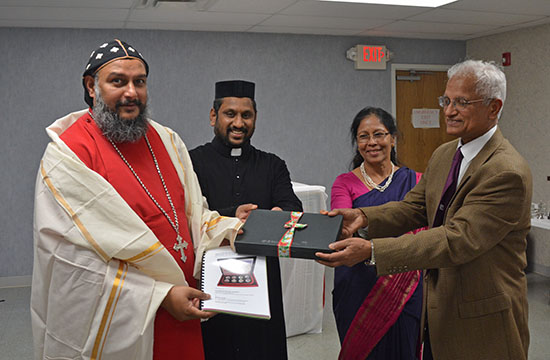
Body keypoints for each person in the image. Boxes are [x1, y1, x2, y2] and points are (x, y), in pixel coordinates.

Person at [31, 39, 244, 360]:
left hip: (184, 303)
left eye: (139, 82)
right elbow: (72, 260)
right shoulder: (69, 154)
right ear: (91, 86)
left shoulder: (167, 140)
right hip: (126, 317)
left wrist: (230, 228)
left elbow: (194, 214)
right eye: (118, 81)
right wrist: (159, 296)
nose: (131, 92)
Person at [317, 60, 532, 360]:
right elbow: (414, 207)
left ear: (493, 108)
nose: (449, 110)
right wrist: (364, 216)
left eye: (461, 102)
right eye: (446, 100)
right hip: (436, 311)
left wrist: (372, 251)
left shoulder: (506, 171)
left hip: (480, 321)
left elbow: (455, 239)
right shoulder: (446, 154)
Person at [189, 80, 302, 360]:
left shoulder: (273, 165)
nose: (238, 123)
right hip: (211, 282)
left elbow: (292, 207)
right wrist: (231, 216)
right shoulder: (193, 162)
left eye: (246, 115)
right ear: (214, 116)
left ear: (255, 119)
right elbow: (186, 214)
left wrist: (279, 216)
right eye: (230, 114)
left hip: (262, 281)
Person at [330, 107, 424, 360]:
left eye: (379, 134)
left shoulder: (416, 181)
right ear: (356, 142)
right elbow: (343, 227)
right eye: (363, 136)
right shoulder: (344, 182)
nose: (371, 142)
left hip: (405, 283)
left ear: (393, 138)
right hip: (358, 282)